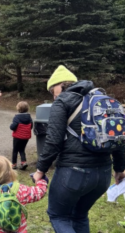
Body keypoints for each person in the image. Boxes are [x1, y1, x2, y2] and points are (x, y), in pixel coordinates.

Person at [33, 65, 125, 232]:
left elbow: (53, 142)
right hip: (103, 174)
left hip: (73, 173)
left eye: (52, 91)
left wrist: (40, 170)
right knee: (79, 215)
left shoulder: (62, 101)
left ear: (60, 85)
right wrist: (119, 168)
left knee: (58, 215)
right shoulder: (101, 100)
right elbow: (117, 138)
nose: (53, 96)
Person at [0, 156, 48, 233]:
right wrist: (41, 181)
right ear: (10, 172)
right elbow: (39, 193)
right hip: (18, 230)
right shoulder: (21, 189)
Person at [10, 101, 33, 170]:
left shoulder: (17, 117)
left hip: (17, 136)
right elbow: (31, 126)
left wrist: (11, 126)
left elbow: (13, 127)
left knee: (15, 150)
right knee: (22, 149)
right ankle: (23, 162)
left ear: (18, 108)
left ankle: (14, 164)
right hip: (26, 137)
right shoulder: (29, 117)